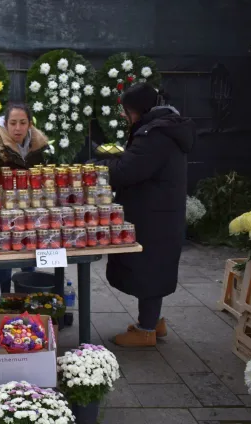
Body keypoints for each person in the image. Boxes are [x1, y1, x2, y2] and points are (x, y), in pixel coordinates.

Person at [97, 83, 196, 347]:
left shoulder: (155, 135)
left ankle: (146, 330)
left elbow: (126, 171)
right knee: (154, 266)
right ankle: (154, 322)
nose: (124, 117)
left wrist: (98, 168)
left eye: (126, 111)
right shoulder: (163, 129)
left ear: (138, 110)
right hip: (159, 212)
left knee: (149, 269)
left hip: (154, 216)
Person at [0, 102, 52, 292]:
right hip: (4, 212)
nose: (18, 128)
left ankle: (28, 294)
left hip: (30, 211)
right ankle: (2, 299)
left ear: (30, 124)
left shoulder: (38, 145)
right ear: (6, 124)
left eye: (23, 123)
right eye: (13, 123)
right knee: (4, 259)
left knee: (29, 256)